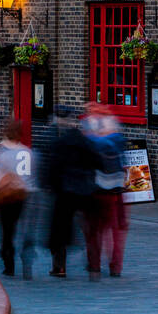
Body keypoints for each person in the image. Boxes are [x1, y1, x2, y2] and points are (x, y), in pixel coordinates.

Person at [45, 111, 101, 278]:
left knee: (59, 229)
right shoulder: (86, 143)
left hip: (65, 191)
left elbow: (53, 168)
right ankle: (94, 265)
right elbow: (98, 163)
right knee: (90, 229)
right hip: (85, 190)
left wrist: (50, 186)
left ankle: (59, 267)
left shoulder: (59, 143)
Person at [0, 119, 35, 277]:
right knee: (20, 225)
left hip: (5, 195)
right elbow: (32, 177)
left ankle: (8, 262)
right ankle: (26, 255)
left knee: (6, 230)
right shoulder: (28, 152)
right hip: (22, 194)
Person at [83, 113, 129, 277]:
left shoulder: (94, 144)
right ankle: (116, 266)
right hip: (116, 193)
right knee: (116, 232)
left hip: (97, 191)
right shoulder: (119, 143)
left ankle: (94, 264)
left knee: (95, 231)